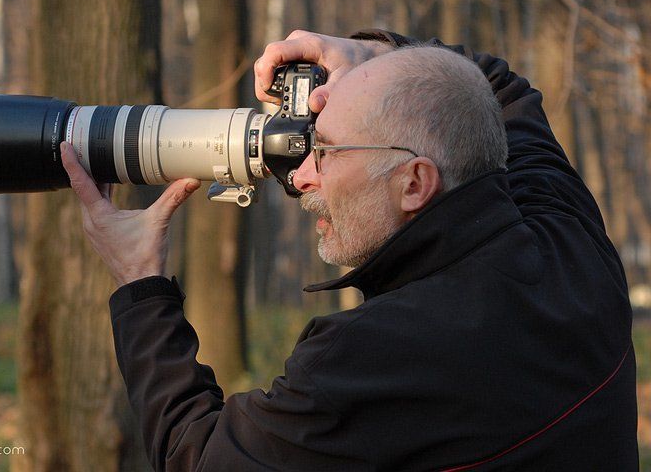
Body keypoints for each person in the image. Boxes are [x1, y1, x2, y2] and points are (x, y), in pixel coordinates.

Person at [60, 30, 638, 471]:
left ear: (414, 182)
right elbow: (491, 85)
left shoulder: (375, 354)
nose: (301, 176)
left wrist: (139, 283)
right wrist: (365, 53)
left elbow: (201, 458)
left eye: (329, 152)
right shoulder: (568, 242)